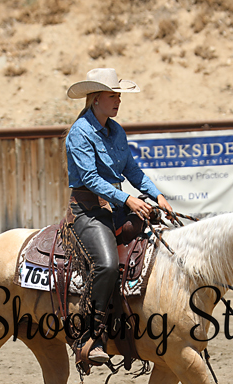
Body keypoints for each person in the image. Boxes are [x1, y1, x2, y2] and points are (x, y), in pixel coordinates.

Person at [64, 68, 172, 365]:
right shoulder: (80, 133)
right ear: (96, 99)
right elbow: (90, 178)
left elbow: (131, 170)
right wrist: (129, 199)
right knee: (107, 264)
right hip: (88, 210)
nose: (118, 100)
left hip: (115, 207)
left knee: (156, 243)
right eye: (113, 95)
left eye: (119, 95)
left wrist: (157, 196)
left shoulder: (116, 130)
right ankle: (90, 336)